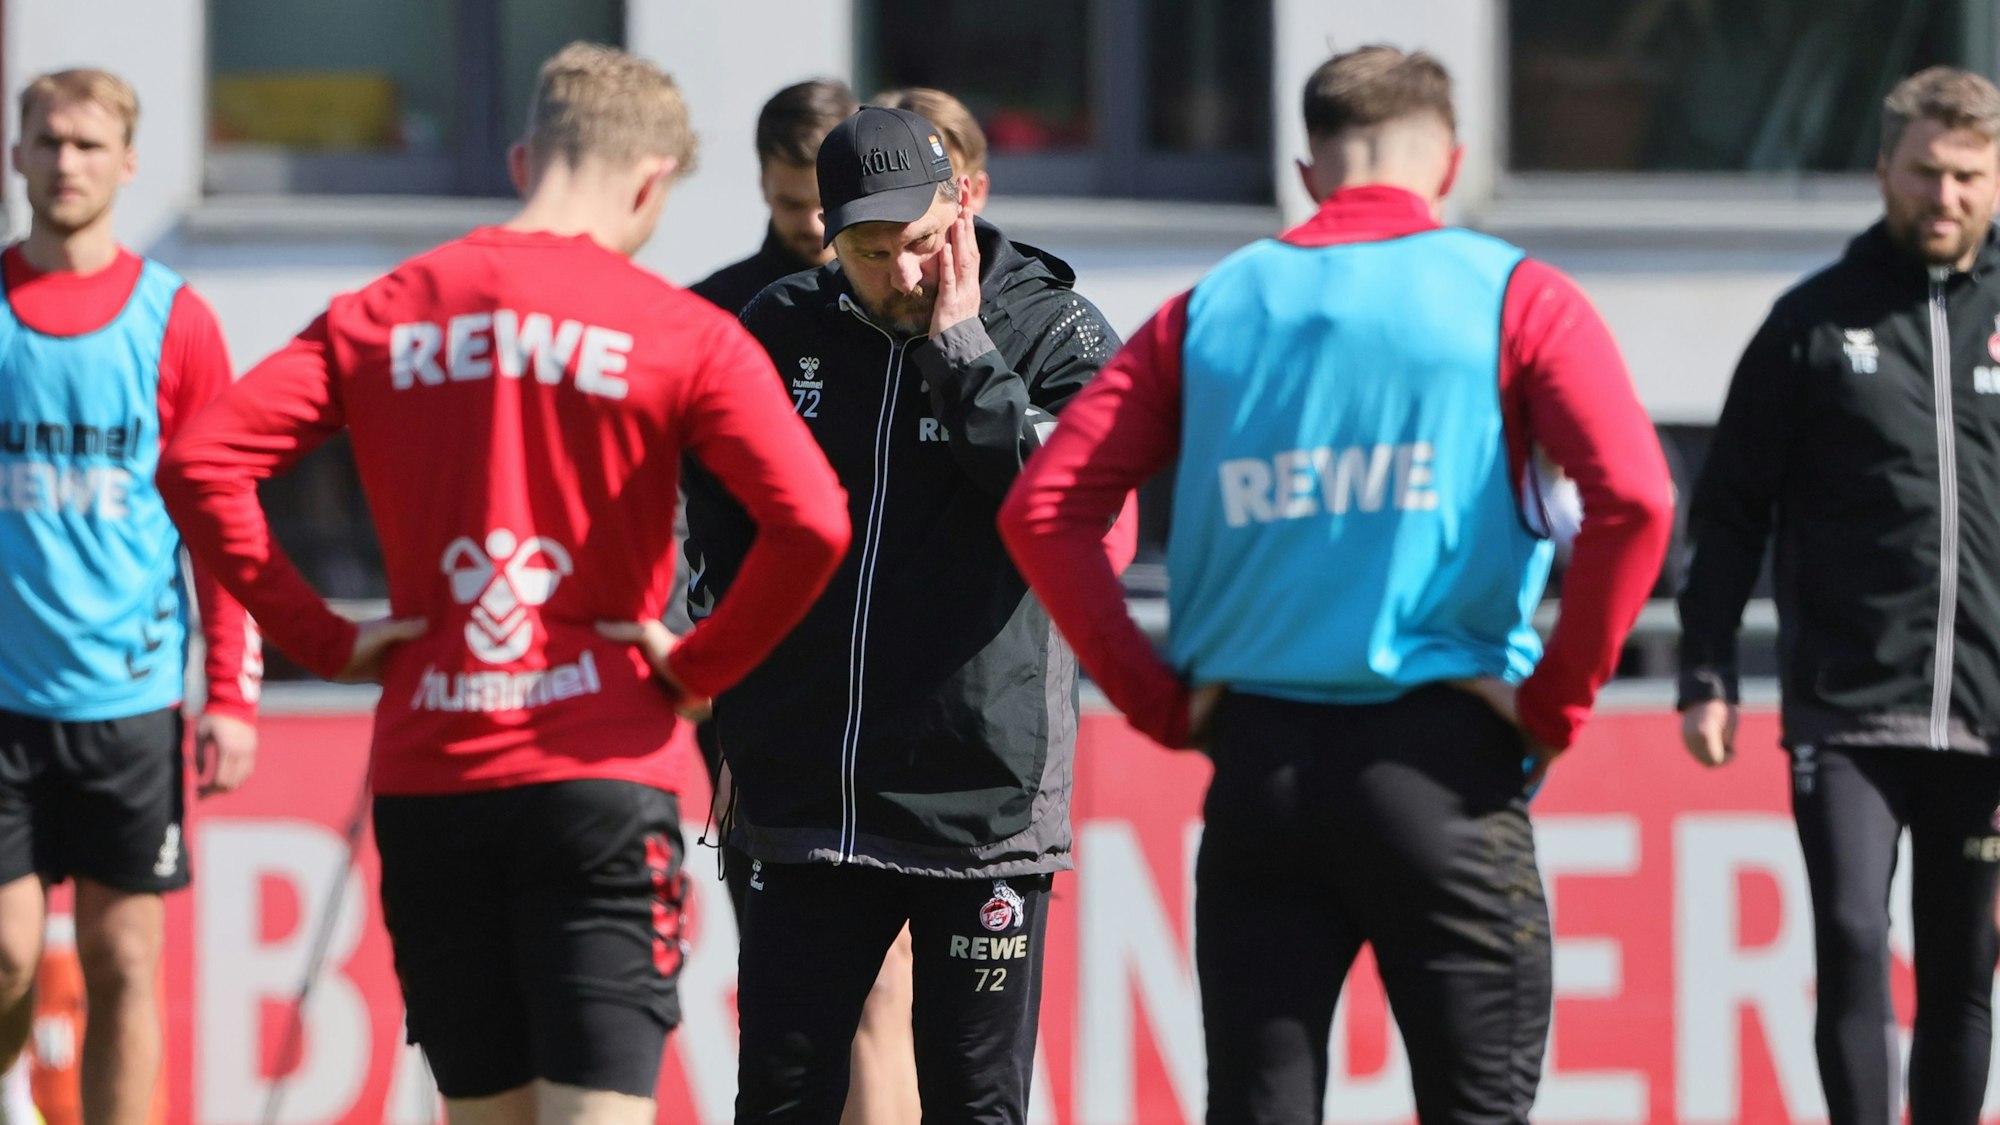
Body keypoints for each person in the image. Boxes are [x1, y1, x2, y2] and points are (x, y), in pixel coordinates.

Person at [158, 43, 849, 1125]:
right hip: (606, 770)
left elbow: (200, 464)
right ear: (650, 179)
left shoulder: (388, 309)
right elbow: (811, 520)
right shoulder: (680, 331)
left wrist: (324, 638)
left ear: (529, 156)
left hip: (434, 773)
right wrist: (704, 667)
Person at [999, 45, 1674, 1123]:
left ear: (1307, 172)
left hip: (1258, 764)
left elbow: (1043, 509)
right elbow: (1635, 500)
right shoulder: (1516, 294)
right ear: (1448, 165)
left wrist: (1158, 699)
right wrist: (1554, 703)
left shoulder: (1209, 309)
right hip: (1446, 764)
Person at [683, 104, 1119, 1122]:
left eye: (921, 244)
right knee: (782, 1098)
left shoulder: (1051, 327)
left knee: (974, 1102)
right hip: (807, 801)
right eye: (871, 253)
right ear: (827, 238)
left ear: (962, 203)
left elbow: (1073, 502)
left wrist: (963, 358)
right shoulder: (779, 325)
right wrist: (732, 694)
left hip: (980, 805)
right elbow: (710, 522)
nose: (905, 275)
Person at [1678, 66, 2000, 1125]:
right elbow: (1727, 510)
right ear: (1881, 173)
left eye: (1964, 176)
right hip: (1847, 705)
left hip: (1986, 713)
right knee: (1855, 936)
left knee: (1962, 964)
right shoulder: (1808, 325)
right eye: (1922, 173)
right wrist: (1707, 668)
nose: (1942, 197)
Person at [0, 67, 261, 1125]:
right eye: (47, 141)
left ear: (127, 160)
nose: (66, 163)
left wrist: (233, 698)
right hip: (6, 709)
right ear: (17, 154)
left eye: (88, 144)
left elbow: (221, 521)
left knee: (122, 961)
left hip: (131, 704)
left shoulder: (176, 323)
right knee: (10, 956)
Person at [689, 78, 858, 318]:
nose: (814, 225)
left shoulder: (907, 298)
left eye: (827, 203)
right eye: (791, 204)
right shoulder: (708, 311)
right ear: (763, 185)